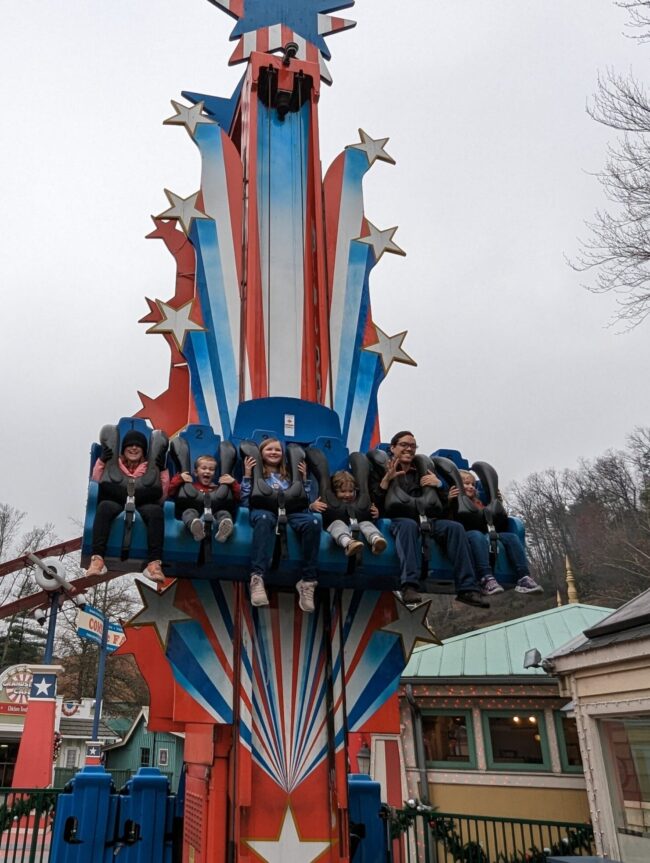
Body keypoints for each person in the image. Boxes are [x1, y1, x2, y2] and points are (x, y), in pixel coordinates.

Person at [369, 431, 488, 609]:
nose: (409, 449)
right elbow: (374, 502)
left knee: (454, 528)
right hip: (398, 521)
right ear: (393, 448)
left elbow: (441, 507)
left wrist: (439, 485)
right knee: (408, 526)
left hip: (428, 520)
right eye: (404, 445)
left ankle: (467, 588)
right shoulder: (381, 470)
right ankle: (409, 586)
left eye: (412, 446)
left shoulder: (425, 470)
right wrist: (387, 480)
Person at [241, 438, 322, 613]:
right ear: (260, 453)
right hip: (264, 510)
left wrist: (304, 478)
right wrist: (248, 475)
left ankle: (307, 581)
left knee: (313, 522)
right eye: (269, 449)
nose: (273, 452)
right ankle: (257, 578)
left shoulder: (288, 476)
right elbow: (246, 500)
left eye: (277, 450)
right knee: (263, 518)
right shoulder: (259, 475)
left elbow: (302, 500)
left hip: (290, 511)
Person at [86, 430, 170, 583]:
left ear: (144, 450)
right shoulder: (114, 464)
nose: (133, 448)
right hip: (116, 500)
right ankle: (97, 559)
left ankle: (154, 563)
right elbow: (96, 482)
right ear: (123, 448)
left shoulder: (149, 468)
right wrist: (102, 461)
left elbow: (162, 494)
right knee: (105, 507)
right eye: (129, 445)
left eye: (138, 446)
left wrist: (162, 470)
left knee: (156, 512)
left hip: (143, 503)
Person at [450, 470, 543, 596]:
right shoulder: (455, 501)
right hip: (466, 536)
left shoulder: (479, 503)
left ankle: (523, 576)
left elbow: (497, 521)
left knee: (511, 537)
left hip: (487, 533)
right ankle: (485, 577)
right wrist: (449, 500)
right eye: (466, 484)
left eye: (472, 484)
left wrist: (498, 504)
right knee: (478, 536)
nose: (470, 487)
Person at [310, 470, 387, 556]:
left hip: (357, 523)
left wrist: (375, 514)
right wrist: (312, 506)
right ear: (335, 492)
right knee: (338, 524)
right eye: (343, 492)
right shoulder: (328, 501)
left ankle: (376, 540)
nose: (347, 495)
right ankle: (348, 543)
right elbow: (313, 511)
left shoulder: (359, 502)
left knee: (366, 524)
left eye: (351, 491)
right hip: (335, 525)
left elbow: (370, 513)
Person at [168, 454, 239, 543]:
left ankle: (223, 531)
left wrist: (233, 483)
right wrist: (179, 478)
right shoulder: (191, 487)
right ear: (196, 473)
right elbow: (170, 492)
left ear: (215, 474)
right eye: (204, 468)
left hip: (214, 516)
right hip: (196, 514)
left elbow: (238, 498)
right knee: (188, 512)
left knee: (224, 513)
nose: (208, 471)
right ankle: (196, 528)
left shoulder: (218, 489)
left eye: (211, 469)